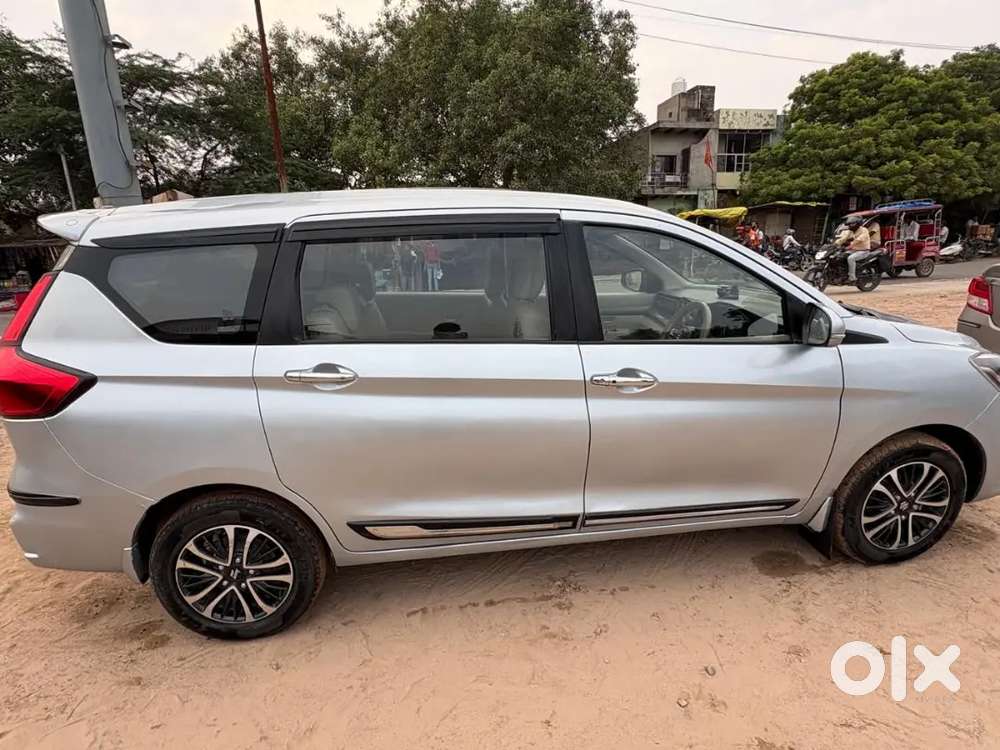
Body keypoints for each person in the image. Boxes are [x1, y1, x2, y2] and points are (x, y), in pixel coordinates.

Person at [844, 216, 871, 282]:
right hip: (853, 250)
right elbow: (844, 238)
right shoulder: (851, 231)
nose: (850, 226)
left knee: (851, 258)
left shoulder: (864, 230)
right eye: (849, 224)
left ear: (858, 224)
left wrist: (850, 245)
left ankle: (852, 277)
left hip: (863, 251)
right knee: (840, 256)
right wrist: (835, 244)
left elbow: (859, 239)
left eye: (852, 224)